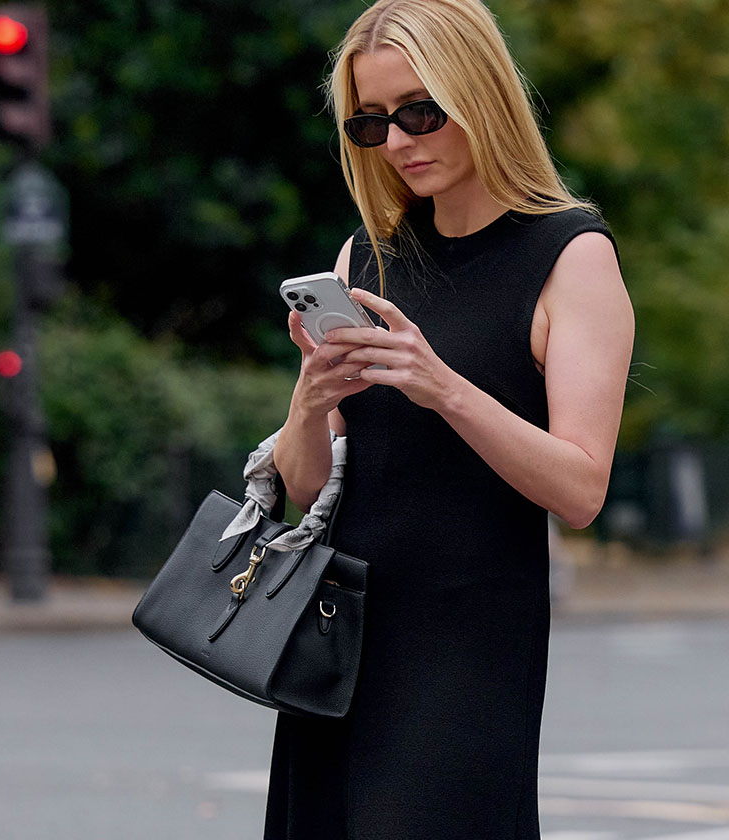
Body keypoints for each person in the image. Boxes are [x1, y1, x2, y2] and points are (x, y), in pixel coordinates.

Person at [268, 0, 634, 836]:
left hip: (467, 651)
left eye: (420, 112)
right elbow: (306, 485)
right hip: (340, 638)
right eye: (371, 123)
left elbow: (581, 488)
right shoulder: (365, 257)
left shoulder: (572, 255)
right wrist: (311, 395)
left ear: (481, 95)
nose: (398, 140)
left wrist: (444, 387)